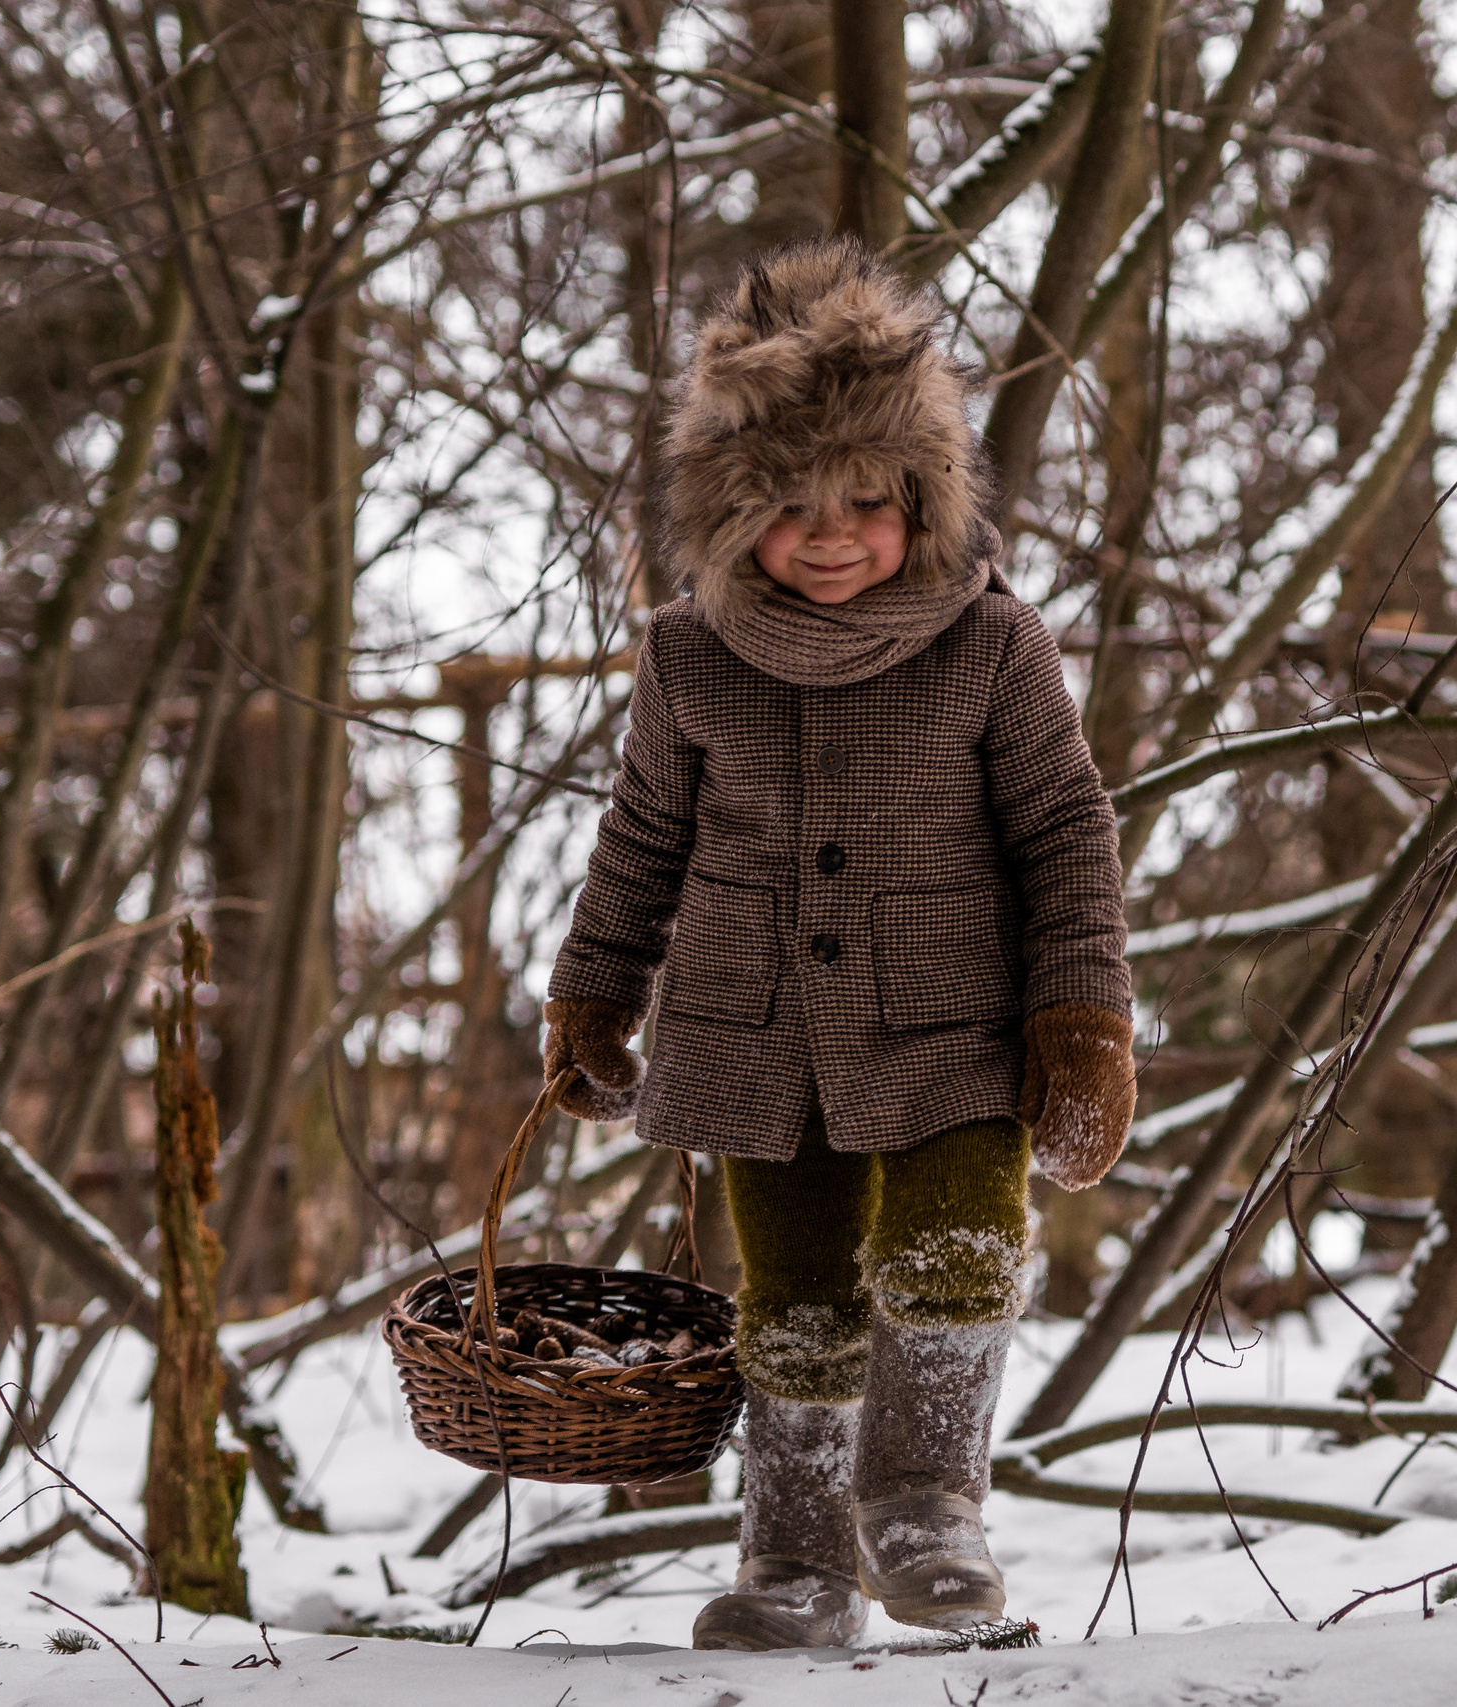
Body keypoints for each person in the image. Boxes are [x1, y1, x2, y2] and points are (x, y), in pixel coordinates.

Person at [539, 238, 1136, 1651]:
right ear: (728, 509)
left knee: (954, 1251)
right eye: (788, 502)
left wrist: (1083, 1019)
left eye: (867, 500)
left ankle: (928, 1503)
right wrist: (594, 992)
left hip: (952, 1026)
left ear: (921, 502)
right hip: (752, 1034)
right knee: (795, 1298)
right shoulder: (689, 658)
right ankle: (796, 1562)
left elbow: (1065, 828)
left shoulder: (993, 646)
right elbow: (641, 840)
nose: (829, 531)